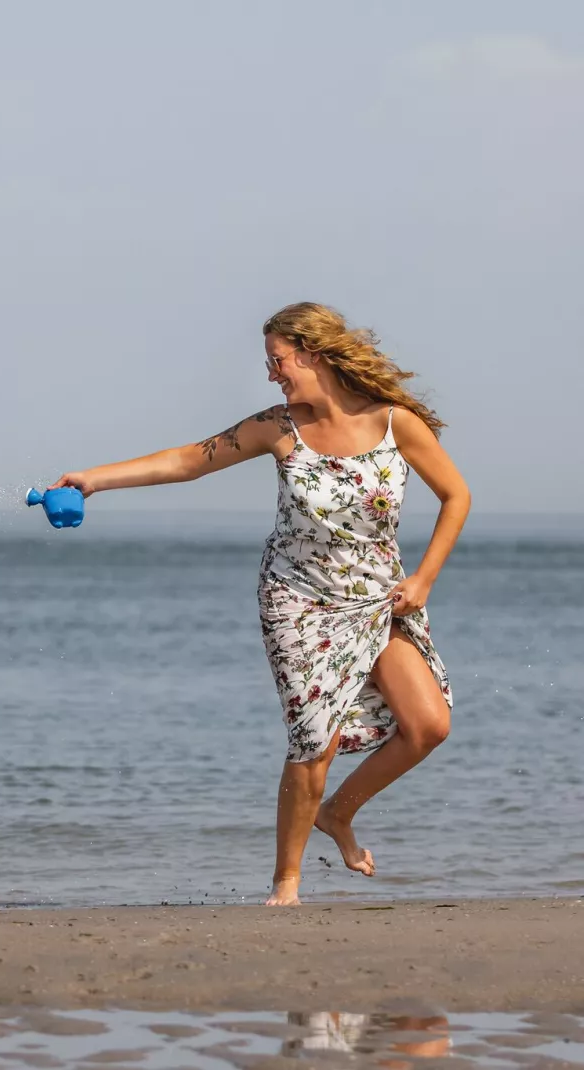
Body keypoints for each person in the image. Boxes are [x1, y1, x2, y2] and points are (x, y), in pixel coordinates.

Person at [47, 302, 468, 905]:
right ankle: (286, 884)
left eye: (278, 361)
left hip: (379, 596)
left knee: (428, 725)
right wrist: (94, 478)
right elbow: (189, 460)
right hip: (297, 600)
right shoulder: (278, 426)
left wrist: (424, 579)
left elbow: (457, 497)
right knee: (314, 739)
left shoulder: (394, 423)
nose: (273, 374)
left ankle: (338, 815)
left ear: (313, 355)